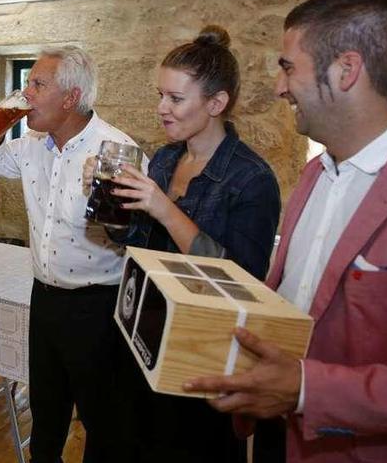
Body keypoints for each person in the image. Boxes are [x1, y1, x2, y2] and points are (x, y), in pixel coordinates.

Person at [184, 0, 387, 462]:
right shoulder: (315, 172)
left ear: (346, 70)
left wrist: (308, 390)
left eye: (288, 66)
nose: (278, 86)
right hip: (275, 434)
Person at [88, 26, 281, 462]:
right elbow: (136, 243)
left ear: (216, 103)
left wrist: (163, 208)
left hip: (201, 359)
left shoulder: (251, 178)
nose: (161, 109)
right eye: (161, 95)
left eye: (175, 99)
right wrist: (108, 204)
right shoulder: (166, 158)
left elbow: (243, 282)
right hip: (142, 337)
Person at [0, 46, 147, 462]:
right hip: (45, 298)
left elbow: (134, 237)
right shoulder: (33, 143)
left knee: (102, 421)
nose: (26, 93)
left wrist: (103, 197)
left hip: (98, 306)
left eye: (37, 84)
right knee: (47, 410)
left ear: (70, 98)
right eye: (26, 82)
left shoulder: (115, 150)